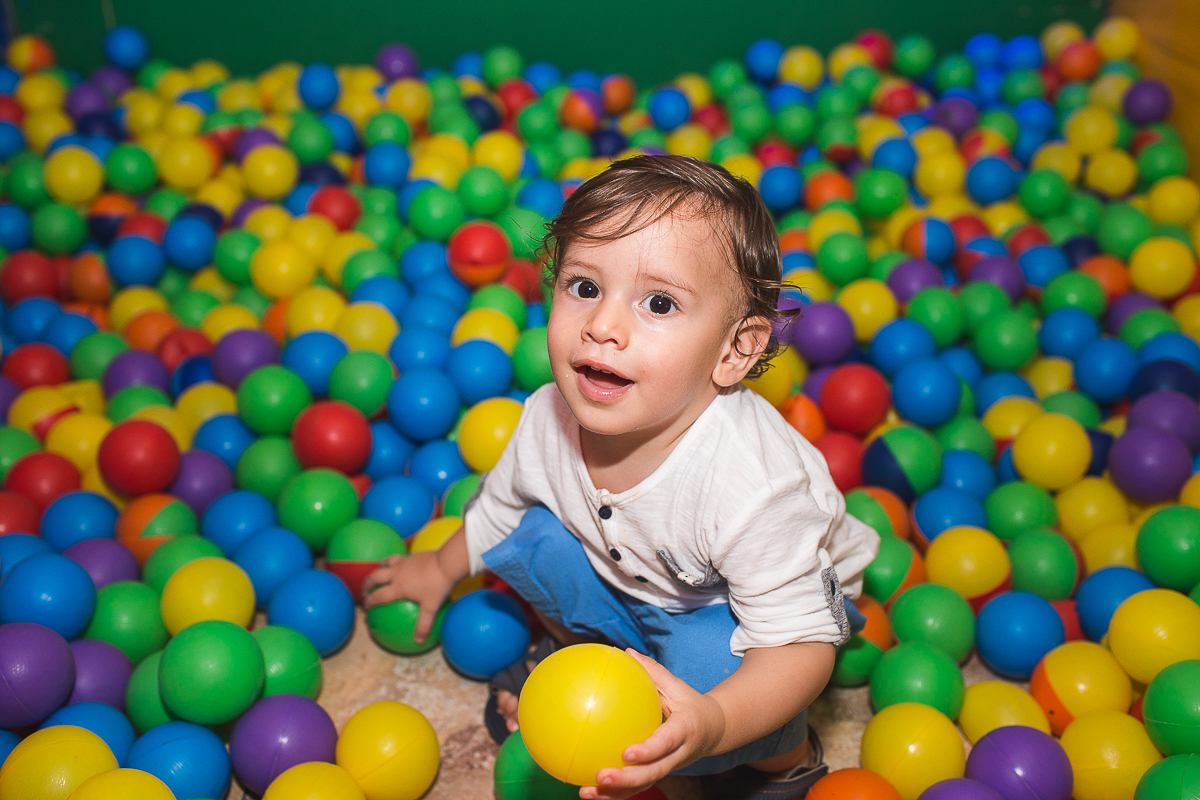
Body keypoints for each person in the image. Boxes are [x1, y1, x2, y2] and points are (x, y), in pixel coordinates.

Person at [364, 154, 879, 800]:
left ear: (734, 351)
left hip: (749, 614)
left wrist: (715, 720)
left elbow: (801, 650)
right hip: (633, 576)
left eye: (659, 303)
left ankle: (786, 760)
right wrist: (438, 569)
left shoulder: (753, 485)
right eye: (583, 287)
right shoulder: (547, 418)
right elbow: (496, 507)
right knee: (531, 535)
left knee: (716, 669)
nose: (602, 326)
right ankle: (587, 652)